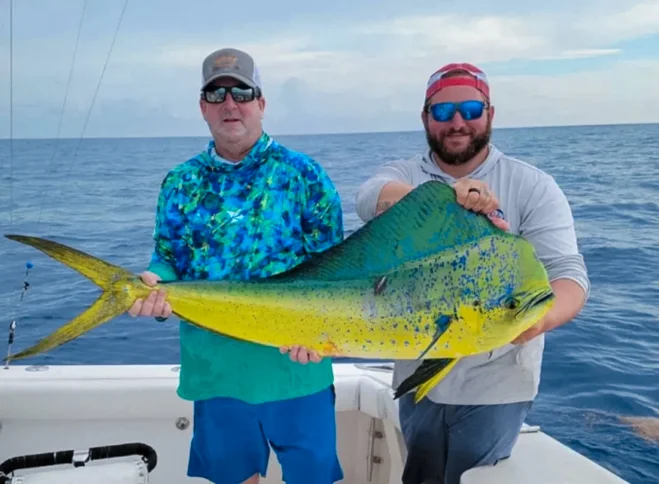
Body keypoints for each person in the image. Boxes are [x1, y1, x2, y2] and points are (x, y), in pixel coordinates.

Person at [355, 62, 590, 484]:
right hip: (419, 381)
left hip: (498, 389)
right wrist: (445, 197)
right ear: (426, 118)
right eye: (443, 112)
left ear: (490, 114)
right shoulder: (406, 175)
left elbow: (570, 276)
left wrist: (540, 319)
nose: (458, 122)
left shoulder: (531, 185)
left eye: (470, 109)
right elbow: (369, 196)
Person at [127, 47, 345, 484]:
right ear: (203, 108)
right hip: (217, 372)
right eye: (216, 93)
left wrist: (324, 335)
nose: (230, 103)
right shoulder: (180, 183)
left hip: (297, 369)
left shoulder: (305, 174)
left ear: (261, 103)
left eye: (242, 92)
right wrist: (155, 283)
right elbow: (168, 259)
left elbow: (334, 273)